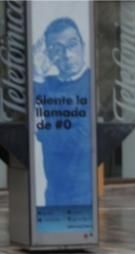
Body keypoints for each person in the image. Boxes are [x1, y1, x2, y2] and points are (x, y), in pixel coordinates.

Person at [33, 17, 91, 207]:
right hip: (54, 189)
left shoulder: (92, 83)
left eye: (72, 44)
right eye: (57, 49)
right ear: (49, 55)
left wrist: (42, 131)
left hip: (82, 189)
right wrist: (37, 74)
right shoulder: (46, 83)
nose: (66, 54)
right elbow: (23, 115)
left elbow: (81, 135)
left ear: (82, 45)